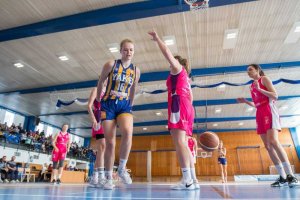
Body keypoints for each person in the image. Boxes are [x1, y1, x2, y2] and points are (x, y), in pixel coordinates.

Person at [237, 64, 299, 187]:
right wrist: (246, 102)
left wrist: (260, 89)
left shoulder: (264, 79)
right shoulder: (251, 86)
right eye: (247, 71)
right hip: (259, 112)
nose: (248, 72)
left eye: (250, 69)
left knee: (274, 141)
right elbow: (257, 104)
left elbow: (275, 96)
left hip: (269, 110)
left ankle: (291, 175)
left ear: (257, 70)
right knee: (267, 146)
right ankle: (282, 177)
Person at [148, 31, 196, 190]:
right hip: (186, 107)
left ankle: (187, 180)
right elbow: (191, 99)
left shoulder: (178, 69)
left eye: (172, 61)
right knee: (184, 144)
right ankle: (193, 180)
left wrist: (157, 39)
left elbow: (167, 53)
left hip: (178, 105)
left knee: (180, 143)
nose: (170, 63)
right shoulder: (186, 80)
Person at [96, 39, 140, 190]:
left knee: (128, 132)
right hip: (108, 104)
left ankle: (121, 167)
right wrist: (97, 101)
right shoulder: (110, 64)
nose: (129, 52)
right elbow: (100, 81)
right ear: (120, 51)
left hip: (124, 105)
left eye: (131, 50)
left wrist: (131, 104)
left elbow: (134, 88)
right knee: (110, 143)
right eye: (126, 49)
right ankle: (109, 178)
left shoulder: (136, 70)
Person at [87, 84, 107, 187]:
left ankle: (94, 177)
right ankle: (101, 177)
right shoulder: (96, 89)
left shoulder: (109, 92)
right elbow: (89, 106)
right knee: (102, 147)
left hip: (107, 120)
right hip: (98, 120)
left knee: (102, 150)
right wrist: (94, 119)